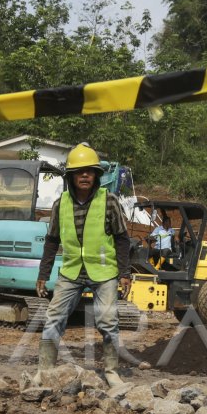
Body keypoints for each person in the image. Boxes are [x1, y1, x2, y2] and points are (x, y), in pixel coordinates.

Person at [35, 143, 132, 387]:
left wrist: (125, 273)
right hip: (71, 271)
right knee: (53, 318)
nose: (85, 175)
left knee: (108, 321)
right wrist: (42, 275)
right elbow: (51, 241)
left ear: (97, 175)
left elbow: (122, 238)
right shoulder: (61, 204)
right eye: (80, 172)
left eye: (90, 171)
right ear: (71, 177)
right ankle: (45, 371)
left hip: (104, 272)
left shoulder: (109, 201)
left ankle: (111, 372)